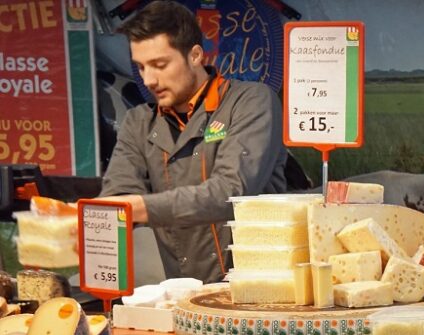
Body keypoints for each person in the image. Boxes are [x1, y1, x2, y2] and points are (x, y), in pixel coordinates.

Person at [100, 1, 287, 282]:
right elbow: (117, 196)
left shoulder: (252, 101)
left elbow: (231, 190)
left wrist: (136, 208)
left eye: (160, 65)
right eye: (140, 67)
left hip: (262, 288)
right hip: (184, 294)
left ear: (196, 55)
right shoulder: (138, 121)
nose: (149, 79)